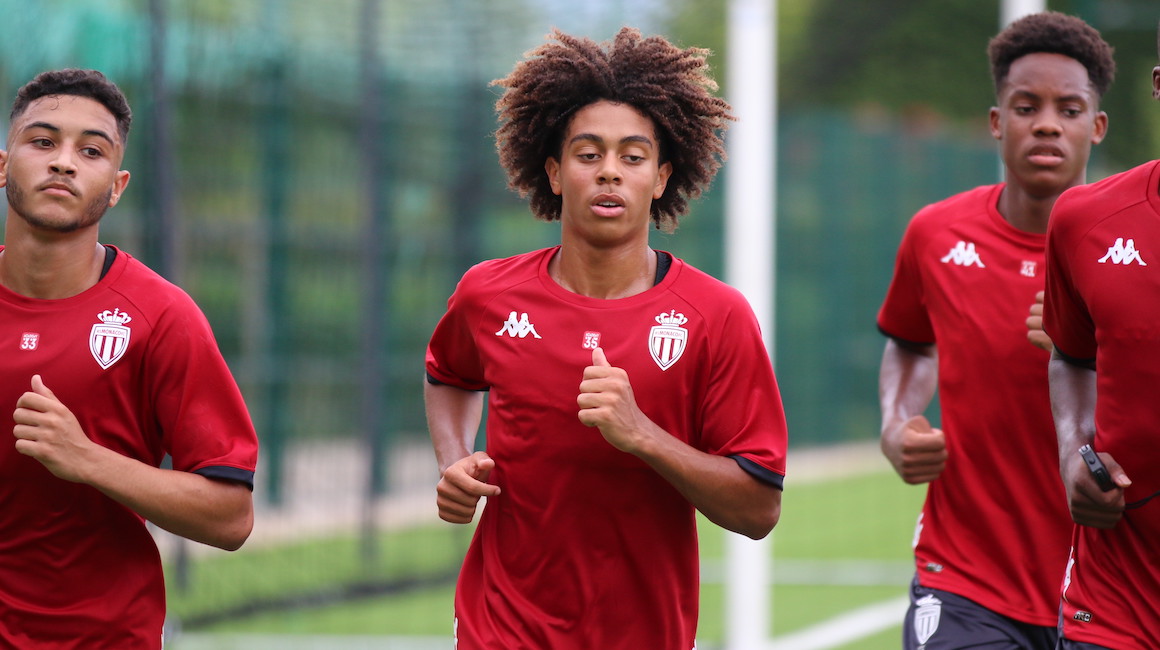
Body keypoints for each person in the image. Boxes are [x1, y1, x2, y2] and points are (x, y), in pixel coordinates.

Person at [424, 27, 787, 649]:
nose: (610, 172)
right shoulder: (488, 294)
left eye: (633, 157)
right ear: (554, 173)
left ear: (662, 177)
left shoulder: (716, 316)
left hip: (645, 632)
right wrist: (455, 458)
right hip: (501, 627)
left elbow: (758, 510)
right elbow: (449, 374)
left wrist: (642, 434)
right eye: (588, 154)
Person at [875, 13, 1113, 649]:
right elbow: (909, 341)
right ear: (996, 121)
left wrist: (1083, 347)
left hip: (1105, 587)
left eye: (1068, 110)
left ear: (1096, 127)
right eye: (1026, 107)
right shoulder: (936, 234)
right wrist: (897, 422)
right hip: (966, 580)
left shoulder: (1133, 247)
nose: (1046, 124)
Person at [0, 68, 258, 648]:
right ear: (3, 165)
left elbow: (231, 517)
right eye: (42, 142)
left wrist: (86, 458)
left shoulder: (160, 317)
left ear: (117, 186)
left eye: (90, 151)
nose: (63, 162)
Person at [1041, 23, 1160, 650]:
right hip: (1116, 601)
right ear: (1159, 86)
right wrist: (1073, 450)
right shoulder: (1085, 219)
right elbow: (1071, 356)